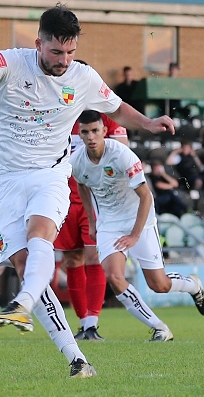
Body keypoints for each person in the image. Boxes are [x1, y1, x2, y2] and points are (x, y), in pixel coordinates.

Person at [0, 4, 175, 378]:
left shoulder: (83, 77)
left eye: (70, 52)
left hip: (50, 175)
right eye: (56, 51)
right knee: (26, 265)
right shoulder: (13, 61)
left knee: (40, 234)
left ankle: (23, 301)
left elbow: (118, 107)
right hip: (7, 181)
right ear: (38, 42)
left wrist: (148, 123)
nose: (63, 60)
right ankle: (77, 358)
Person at [71, 111, 204, 343]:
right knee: (114, 277)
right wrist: (93, 221)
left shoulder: (123, 156)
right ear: (80, 134)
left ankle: (191, 284)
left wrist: (135, 235)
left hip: (140, 220)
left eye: (95, 131)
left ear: (104, 131)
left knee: (159, 285)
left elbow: (146, 197)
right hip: (109, 224)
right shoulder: (76, 161)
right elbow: (82, 185)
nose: (90, 137)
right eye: (85, 132)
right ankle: (160, 328)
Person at [57, 111, 128, 342]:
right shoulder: (60, 112)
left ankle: (92, 323)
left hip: (95, 199)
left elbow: (123, 155)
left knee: (94, 257)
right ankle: (83, 323)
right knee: (71, 260)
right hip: (64, 199)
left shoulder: (108, 116)